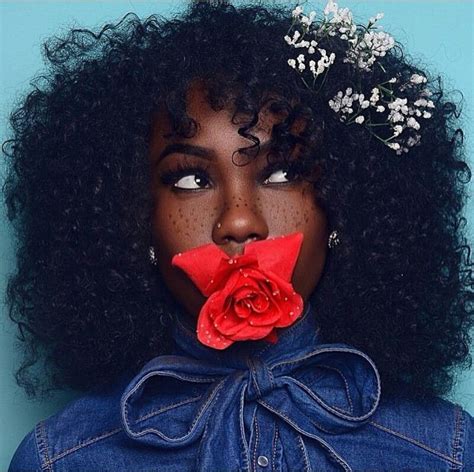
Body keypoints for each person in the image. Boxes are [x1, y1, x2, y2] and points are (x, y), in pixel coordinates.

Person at [3, 1, 474, 470]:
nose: (239, 221)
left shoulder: (444, 452)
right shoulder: (59, 460)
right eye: (190, 180)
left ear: (342, 204)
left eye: (282, 172)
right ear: (131, 219)